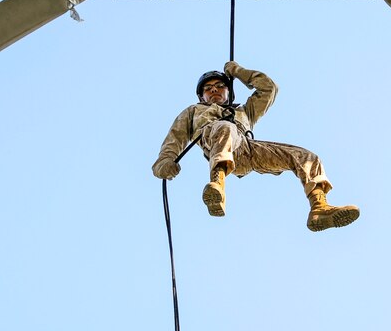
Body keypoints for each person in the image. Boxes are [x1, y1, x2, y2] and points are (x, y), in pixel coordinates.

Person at [152, 61, 360, 232]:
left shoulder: (245, 111)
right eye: (208, 88)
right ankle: (217, 185)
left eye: (220, 86)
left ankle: (319, 208)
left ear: (229, 93)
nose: (214, 90)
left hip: (246, 150)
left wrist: (238, 72)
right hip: (215, 141)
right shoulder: (193, 111)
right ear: (201, 96)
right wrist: (164, 162)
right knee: (225, 128)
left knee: (305, 156)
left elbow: (269, 88)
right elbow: (174, 138)